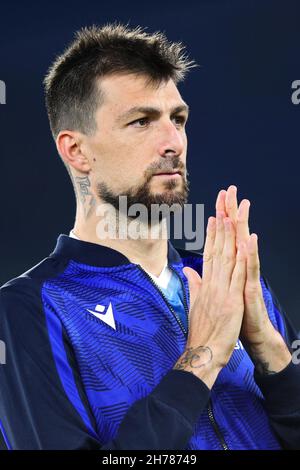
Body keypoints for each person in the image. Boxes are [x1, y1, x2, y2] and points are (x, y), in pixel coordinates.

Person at [0, 23, 299, 451]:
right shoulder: (28, 309)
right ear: (76, 150)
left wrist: (271, 354)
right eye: (142, 121)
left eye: (178, 119)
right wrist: (202, 357)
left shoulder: (230, 283)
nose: (173, 141)